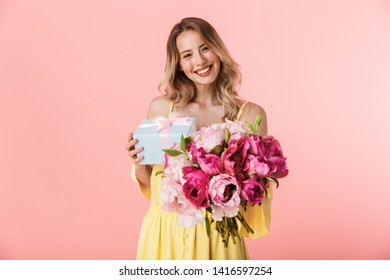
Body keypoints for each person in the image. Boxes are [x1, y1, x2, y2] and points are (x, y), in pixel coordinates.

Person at [125, 17, 272, 260]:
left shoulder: (249, 114)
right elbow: (154, 186)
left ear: (217, 50)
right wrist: (138, 160)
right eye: (188, 55)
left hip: (218, 239)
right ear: (179, 65)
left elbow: (254, 195)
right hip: (164, 235)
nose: (200, 61)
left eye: (205, 48)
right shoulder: (162, 110)